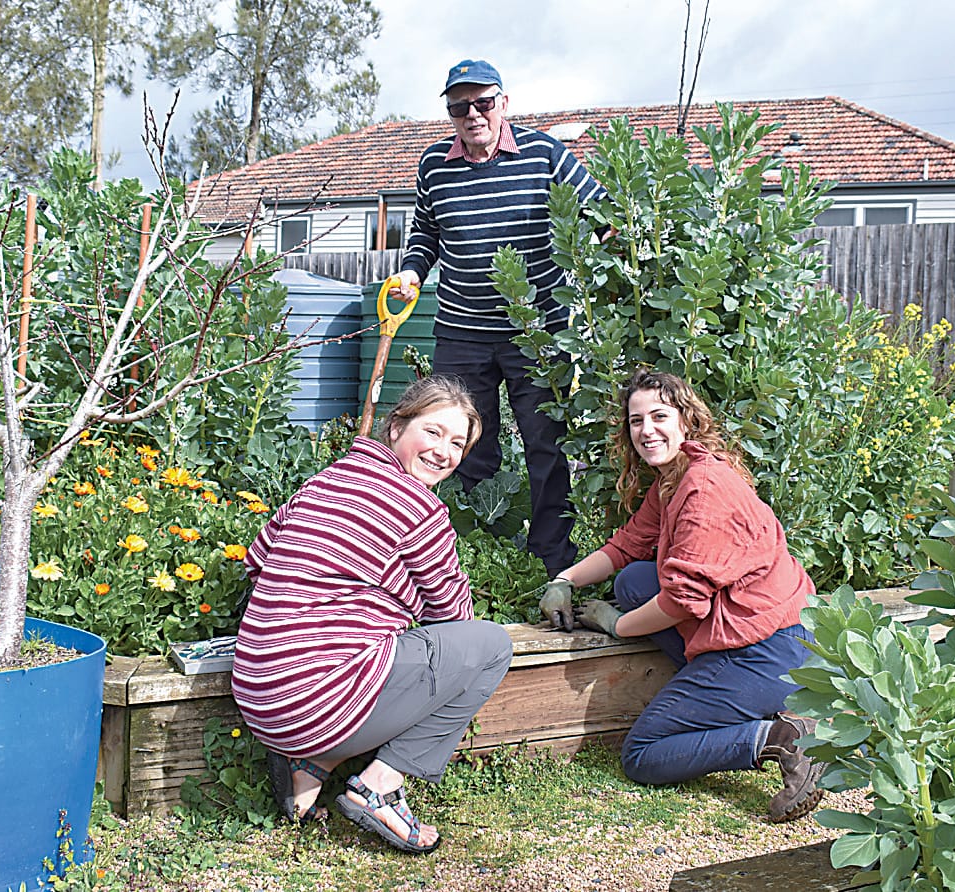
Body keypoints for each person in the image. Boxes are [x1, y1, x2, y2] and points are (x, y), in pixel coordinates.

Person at [232, 376, 513, 854]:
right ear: (396, 428)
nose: (443, 451)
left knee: (367, 651)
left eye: (457, 443)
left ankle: (308, 767)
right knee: (490, 648)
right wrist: (402, 599)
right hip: (315, 699)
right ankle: (379, 785)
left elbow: (257, 559)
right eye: (433, 431)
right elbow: (453, 618)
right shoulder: (421, 510)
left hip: (255, 694)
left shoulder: (326, 480)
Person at [539, 369, 825, 823]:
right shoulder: (679, 476)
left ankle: (780, 738)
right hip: (766, 631)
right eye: (636, 421)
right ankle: (728, 688)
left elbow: (681, 603)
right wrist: (564, 581)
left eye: (658, 416)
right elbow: (627, 545)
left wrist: (615, 624)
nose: (646, 430)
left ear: (686, 420)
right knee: (634, 580)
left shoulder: (704, 489)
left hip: (766, 649)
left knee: (644, 754)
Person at [390, 58, 606, 576]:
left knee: (545, 446)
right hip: (462, 333)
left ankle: (552, 561)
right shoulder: (433, 166)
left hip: (536, 332)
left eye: (483, 103)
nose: (472, 115)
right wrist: (413, 271)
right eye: (459, 107)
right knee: (462, 444)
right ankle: (464, 553)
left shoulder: (547, 156)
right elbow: (425, 232)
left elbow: (603, 213)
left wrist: (612, 255)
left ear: (503, 104)